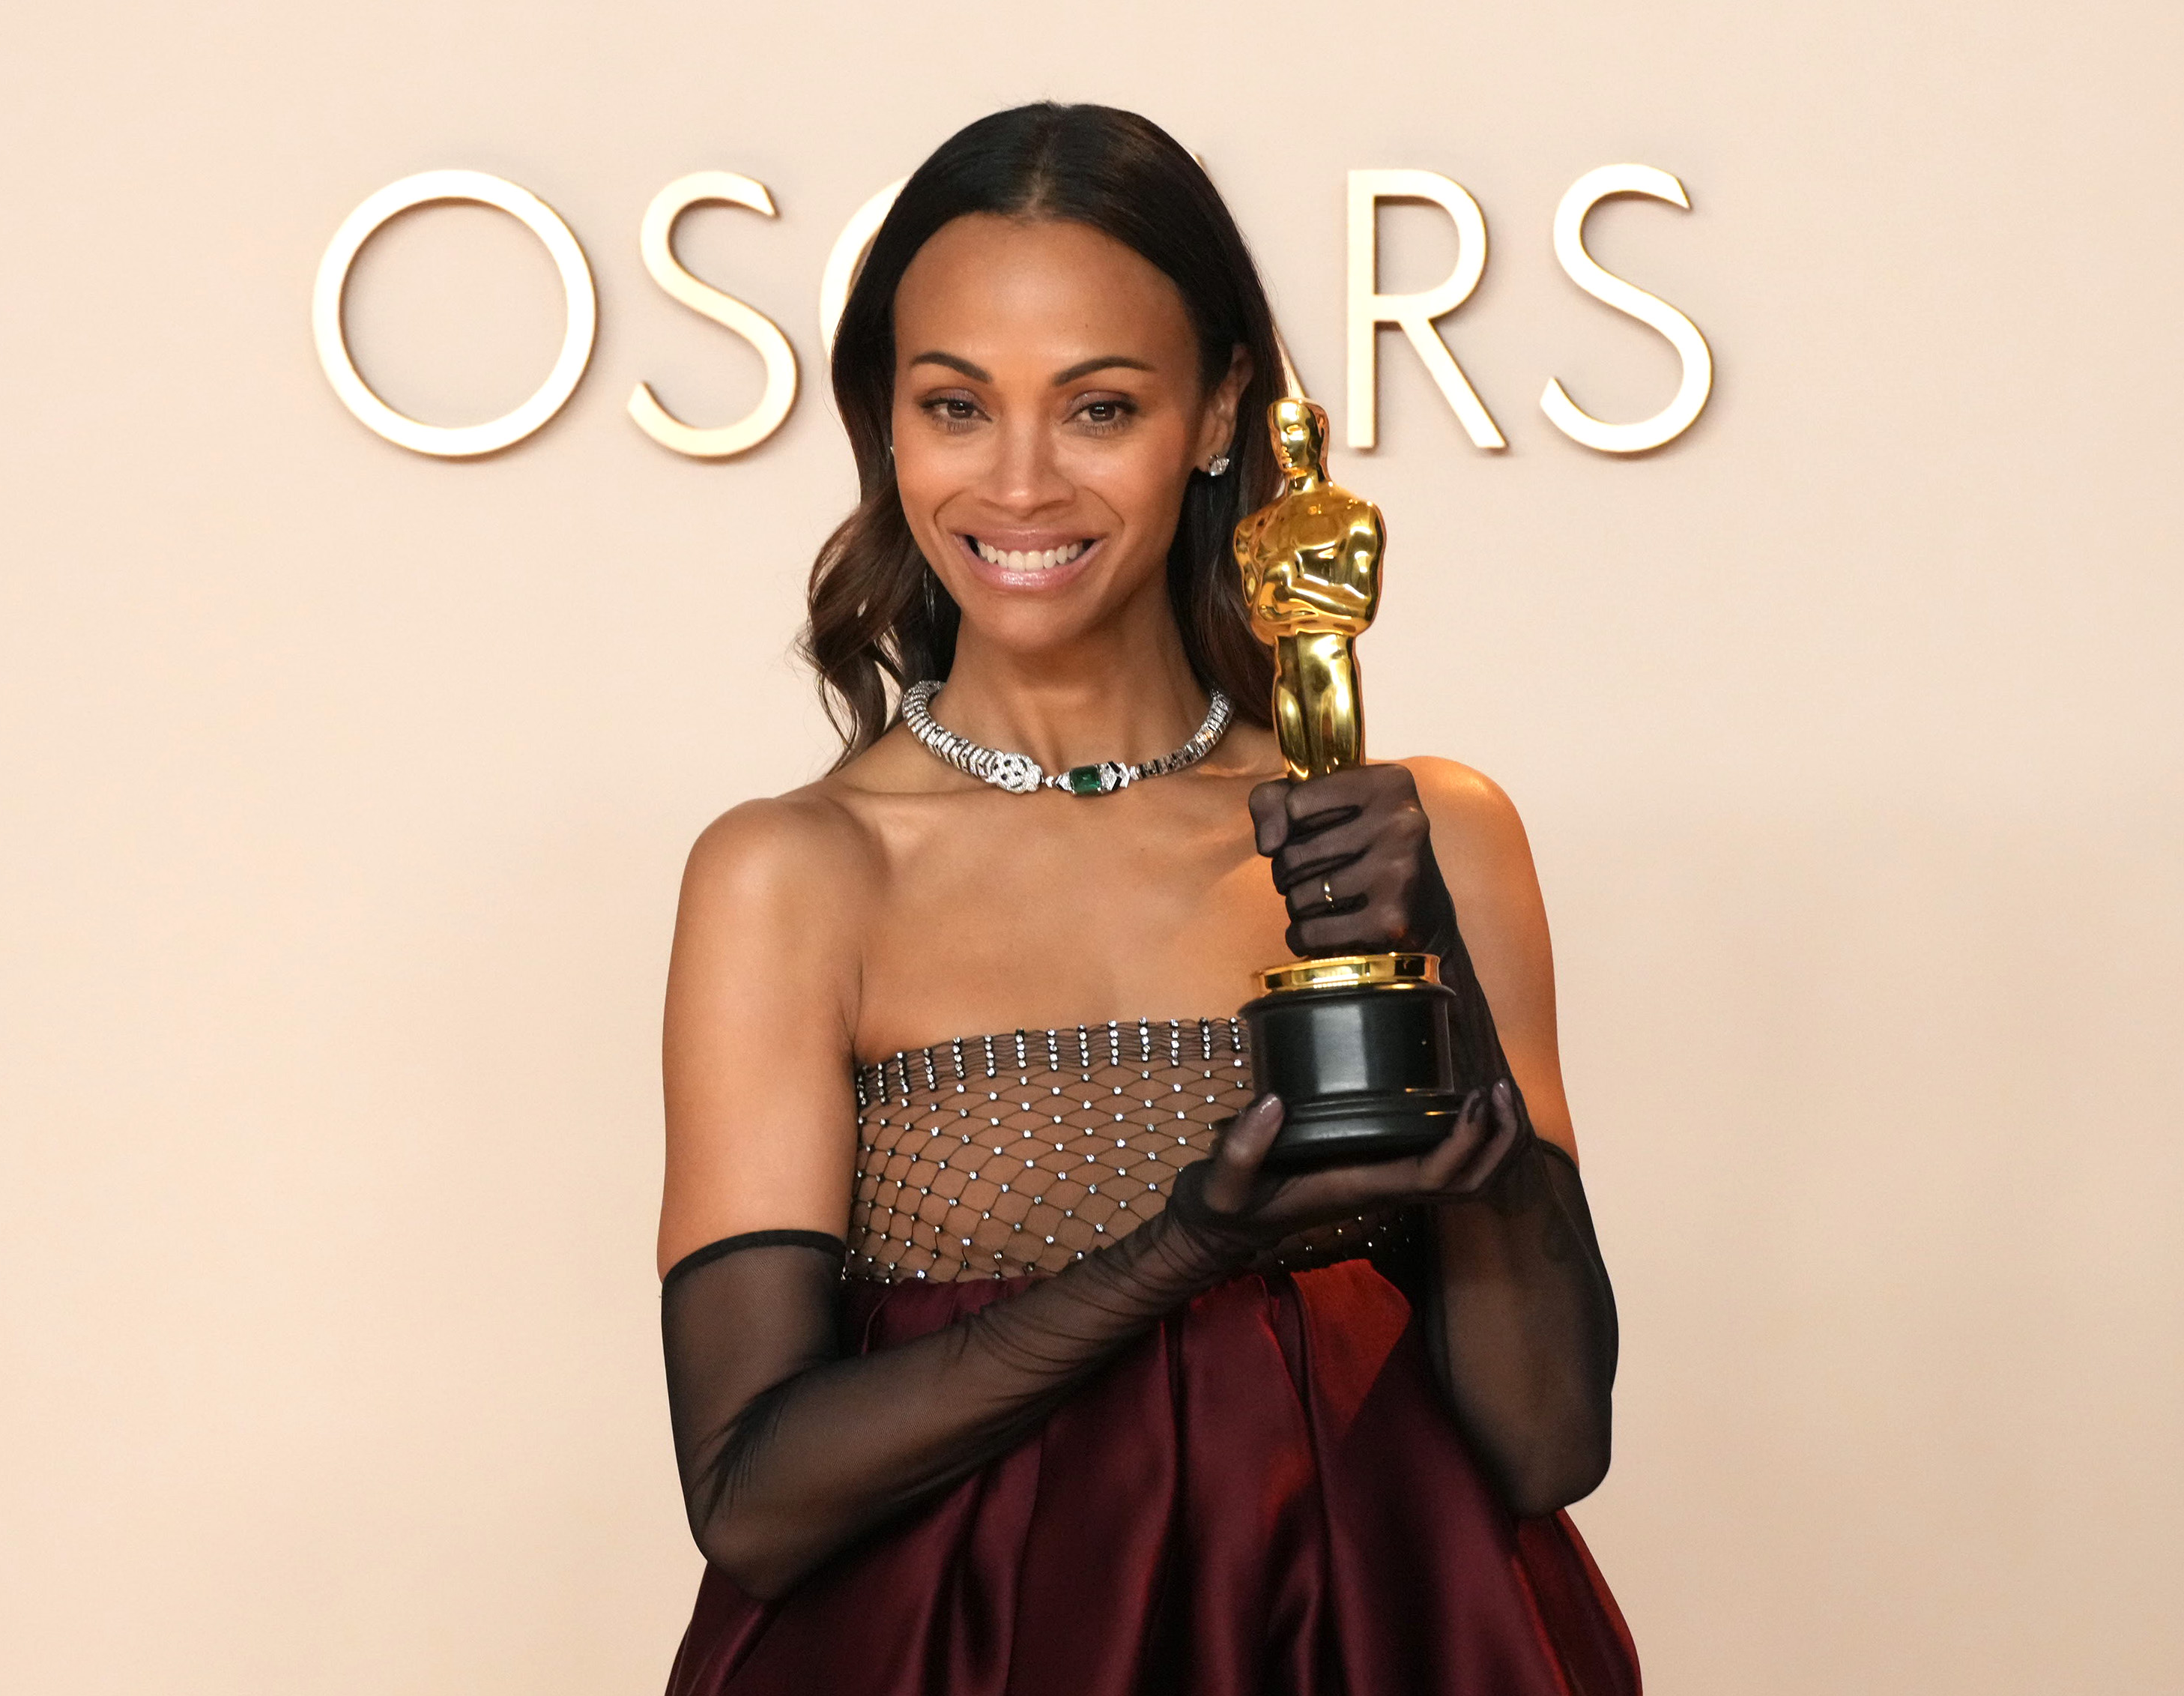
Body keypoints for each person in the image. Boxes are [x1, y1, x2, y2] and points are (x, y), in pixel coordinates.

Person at [655, 102, 1637, 1696]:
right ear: (888, 426)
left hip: (1371, 1646)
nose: (1020, 483)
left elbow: (1548, 1442)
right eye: (955, 404)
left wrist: (1430, 960)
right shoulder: (796, 875)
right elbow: (755, 1499)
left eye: (1098, 405)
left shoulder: (1418, 836)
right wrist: (1184, 1247)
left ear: (1219, 409)